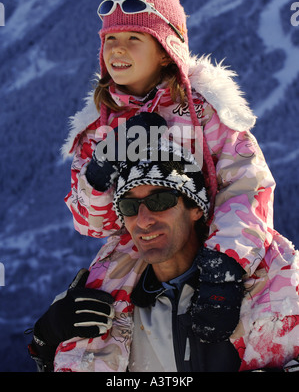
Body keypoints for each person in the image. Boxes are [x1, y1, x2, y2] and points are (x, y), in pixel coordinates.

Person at [58, 0, 299, 371]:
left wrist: (225, 266)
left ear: (166, 49)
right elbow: (92, 223)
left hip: (223, 243)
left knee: (273, 307)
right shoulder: (100, 125)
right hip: (145, 249)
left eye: (133, 39)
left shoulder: (203, 108)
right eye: (109, 39)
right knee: (94, 330)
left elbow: (245, 186)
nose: (117, 48)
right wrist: (101, 170)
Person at [29, 137, 299, 372]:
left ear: (196, 209)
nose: (144, 219)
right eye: (130, 206)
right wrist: (45, 343)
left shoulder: (269, 286)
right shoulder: (111, 303)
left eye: (160, 200)